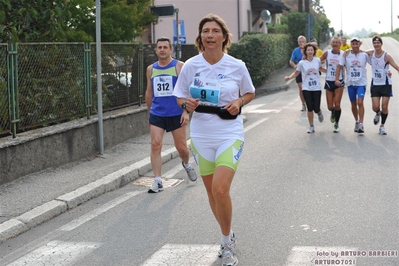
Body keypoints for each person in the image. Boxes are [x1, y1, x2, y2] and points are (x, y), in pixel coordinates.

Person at [173, 13, 255, 266]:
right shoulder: (191, 66)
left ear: (223, 36)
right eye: (205, 31)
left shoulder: (236, 65)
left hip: (229, 134)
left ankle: (227, 245)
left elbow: (250, 92)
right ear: (201, 37)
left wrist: (239, 101)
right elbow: (179, 97)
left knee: (221, 189)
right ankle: (227, 234)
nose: (210, 35)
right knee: (211, 192)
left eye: (215, 31)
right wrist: (186, 103)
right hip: (201, 135)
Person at [145, 37, 197, 193]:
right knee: (155, 144)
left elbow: (188, 91)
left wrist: (186, 111)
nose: (162, 50)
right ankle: (158, 180)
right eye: (159, 47)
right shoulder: (151, 69)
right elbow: (149, 91)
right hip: (157, 113)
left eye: (165, 47)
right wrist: (149, 113)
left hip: (176, 113)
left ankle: (187, 164)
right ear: (156, 50)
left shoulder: (179, 66)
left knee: (181, 148)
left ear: (170, 50)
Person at [285, 42, 326, 133]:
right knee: (309, 107)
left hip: (316, 88)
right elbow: (296, 72)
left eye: (311, 50)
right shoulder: (302, 63)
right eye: (308, 50)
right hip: (306, 88)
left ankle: (319, 112)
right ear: (305, 52)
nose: (310, 51)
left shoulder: (317, 60)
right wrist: (289, 77)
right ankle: (311, 126)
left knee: (316, 108)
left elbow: (321, 69)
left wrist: (330, 71)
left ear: (314, 51)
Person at [365, 35, 399, 135]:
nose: (376, 44)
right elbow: (361, 52)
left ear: (381, 44)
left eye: (378, 43)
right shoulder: (371, 53)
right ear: (373, 44)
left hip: (385, 84)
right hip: (375, 83)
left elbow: (397, 67)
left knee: (384, 106)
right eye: (374, 43)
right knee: (375, 107)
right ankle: (378, 113)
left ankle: (382, 126)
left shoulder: (386, 56)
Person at [335, 37, 368, 133]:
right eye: (353, 43)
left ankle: (361, 124)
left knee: (360, 102)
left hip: (361, 83)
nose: (355, 45)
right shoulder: (346, 55)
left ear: (359, 44)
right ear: (351, 45)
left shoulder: (364, 55)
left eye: (356, 43)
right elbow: (339, 67)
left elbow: (374, 60)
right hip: (350, 83)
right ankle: (357, 121)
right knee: (353, 104)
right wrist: (337, 79)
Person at [319, 37, 345, 133]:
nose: (335, 44)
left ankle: (337, 124)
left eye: (337, 42)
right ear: (331, 44)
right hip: (329, 81)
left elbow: (348, 65)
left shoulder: (343, 54)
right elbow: (318, 62)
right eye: (333, 42)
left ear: (340, 44)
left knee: (337, 103)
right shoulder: (327, 53)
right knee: (330, 106)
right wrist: (322, 70)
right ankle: (333, 112)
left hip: (339, 81)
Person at [289, 35, 307, 111]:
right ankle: (303, 104)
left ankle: (309, 101)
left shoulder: (309, 49)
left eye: (303, 41)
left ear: (305, 42)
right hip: (299, 73)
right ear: (298, 43)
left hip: (308, 73)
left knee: (308, 89)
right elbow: (291, 61)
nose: (301, 43)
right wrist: (295, 66)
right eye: (300, 41)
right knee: (301, 88)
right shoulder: (296, 51)